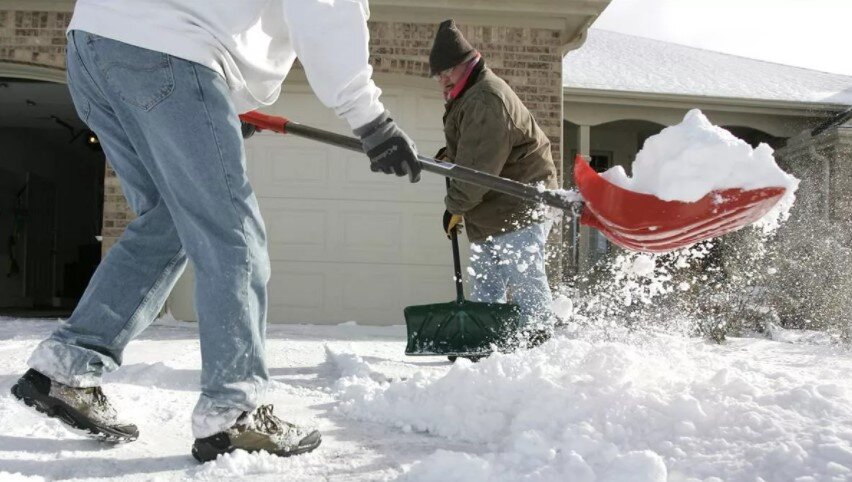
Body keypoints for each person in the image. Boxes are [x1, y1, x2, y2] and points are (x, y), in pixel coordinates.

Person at [10, 0, 421, 463]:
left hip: (94, 44)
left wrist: (226, 102)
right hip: (171, 52)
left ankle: (67, 367)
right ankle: (234, 411)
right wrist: (371, 119)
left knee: (168, 220)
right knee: (232, 235)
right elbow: (324, 10)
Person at [430, 19, 558, 346]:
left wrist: (454, 208)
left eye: (447, 71)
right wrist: (453, 154)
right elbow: (479, 149)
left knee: (525, 280)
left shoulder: (486, 98)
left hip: (519, 206)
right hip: (495, 209)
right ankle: (489, 348)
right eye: (439, 75)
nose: (442, 79)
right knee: (488, 285)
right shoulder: (470, 94)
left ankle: (540, 348)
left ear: (466, 64)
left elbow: (478, 172)